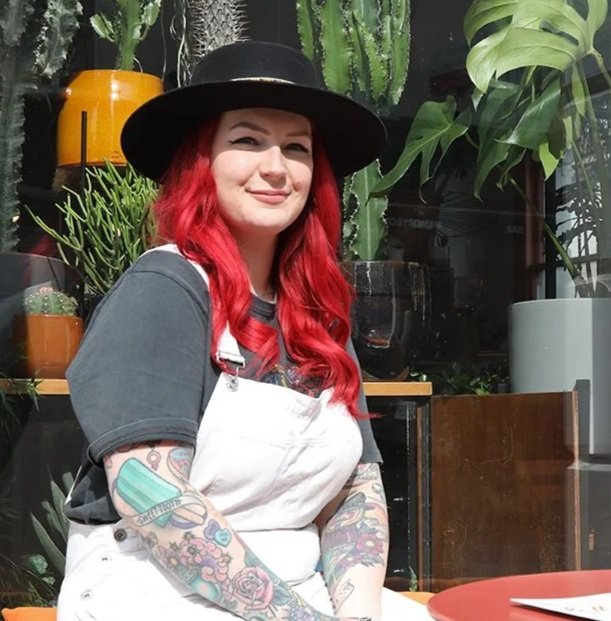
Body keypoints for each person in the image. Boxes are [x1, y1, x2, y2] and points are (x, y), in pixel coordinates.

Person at [57, 41, 431, 621]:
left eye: (297, 147)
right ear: (199, 160)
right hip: (156, 591)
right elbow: (152, 494)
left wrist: (356, 616)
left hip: (301, 590)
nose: (276, 167)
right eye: (247, 140)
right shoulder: (164, 289)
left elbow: (356, 493)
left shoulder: (319, 315)